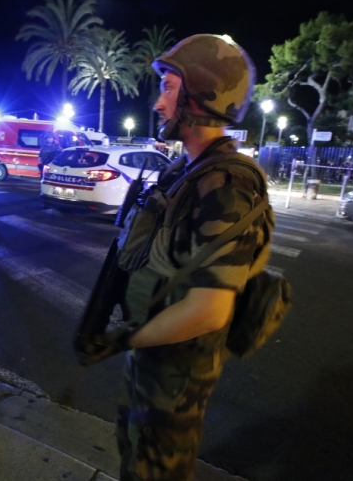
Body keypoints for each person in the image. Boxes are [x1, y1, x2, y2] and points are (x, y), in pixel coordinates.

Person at [103, 35, 275, 480]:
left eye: (169, 88)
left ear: (200, 95)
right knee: (133, 449)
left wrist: (122, 339)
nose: (158, 104)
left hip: (177, 369)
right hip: (153, 350)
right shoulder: (184, 170)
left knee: (156, 468)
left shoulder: (227, 186)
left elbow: (209, 310)